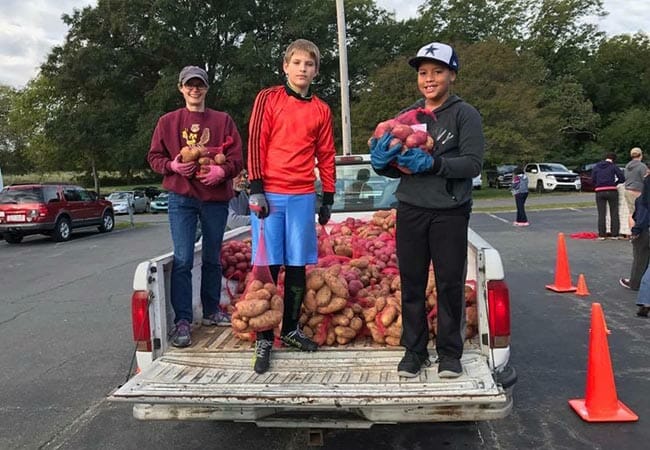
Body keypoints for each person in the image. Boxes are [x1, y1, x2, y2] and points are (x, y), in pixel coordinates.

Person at [369, 42, 484, 379]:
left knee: (449, 283)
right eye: (423, 73)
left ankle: (450, 354)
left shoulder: (465, 114)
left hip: (449, 210)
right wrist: (384, 165)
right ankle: (414, 351)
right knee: (412, 283)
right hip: (411, 208)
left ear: (452, 74)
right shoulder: (408, 116)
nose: (429, 79)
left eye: (437, 71)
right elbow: (400, 163)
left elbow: (473, 164)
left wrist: (434, 163)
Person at [247, 39, 336, 374]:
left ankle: (290, 329)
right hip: (269, 195)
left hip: (301, 196)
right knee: (267, 266)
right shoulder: (268, 99)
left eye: (309, 64)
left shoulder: (321, 110)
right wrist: (256, 189)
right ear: (285, 66)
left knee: (297, 265)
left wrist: (327, 196)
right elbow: (256, 140)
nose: (302, 69)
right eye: (296, 62)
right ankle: (264, 335)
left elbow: (326, 155)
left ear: (315, 70)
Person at [148, 65, 243, 347]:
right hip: (182, 199)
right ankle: (183, 321)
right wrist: (172, 165)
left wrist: (221, 173)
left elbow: (237, 158)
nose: (194, 89)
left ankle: (212, 310)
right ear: (181, 88)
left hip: (215, 200)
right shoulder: (168, 122)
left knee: (213, 256)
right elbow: (154, 157)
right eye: (189, 85)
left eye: (199, 84)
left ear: (206, 88)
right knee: (184, 259)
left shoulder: (223, 121)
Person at [591, 152, 625, 240]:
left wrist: (597, 185)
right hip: (611, 190)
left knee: (601, 213)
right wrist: (615, 183)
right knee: (614, 212)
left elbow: (593, 179)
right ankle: (615, 234)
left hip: (599, 191)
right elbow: (622, 177)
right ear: (613, 159)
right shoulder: (613, 166)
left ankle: (602, 234)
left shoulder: (596, 167)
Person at [623, 147, 647, 222]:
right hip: (638, 191)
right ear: (641, 155)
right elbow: (645, 179)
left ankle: (632, 231)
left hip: (628, 190)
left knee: (631, 212)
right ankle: (638, 231)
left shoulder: (627, 166)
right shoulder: (642, 166)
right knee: (640, 212)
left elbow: (625, 177)